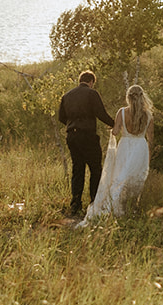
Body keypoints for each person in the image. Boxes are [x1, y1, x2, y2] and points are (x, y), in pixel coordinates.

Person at [77, 84, 153, 227]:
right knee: (136, 179)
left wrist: (113, 130)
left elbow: (116, 132)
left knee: (120, 178)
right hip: (140, 149)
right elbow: (151, 138)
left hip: (125, 146)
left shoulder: (122, 112)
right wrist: (148, 156)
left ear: (128, 97)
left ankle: (115, 207)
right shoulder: (148, 115)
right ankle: (130, 208)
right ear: (143, 96)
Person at [57, 70, 113, 218]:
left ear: (80, 80)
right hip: (87, 136)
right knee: (95, 169)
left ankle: (75, 204)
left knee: (78, 168)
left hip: (72, 137)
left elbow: (61, 117)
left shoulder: (67, 95)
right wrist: (114, 124)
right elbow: (101, 113)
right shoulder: (91, 94)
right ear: (91, 82)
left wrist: (72, 124)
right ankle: (94, 202)